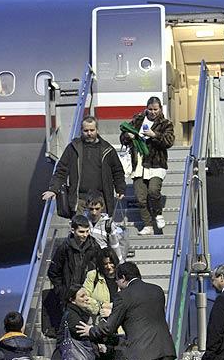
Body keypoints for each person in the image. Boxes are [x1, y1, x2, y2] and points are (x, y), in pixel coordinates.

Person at [42, 115, 126, 216]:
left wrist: (120, 188)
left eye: (92, 130)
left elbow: (117, 171)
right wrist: (53, 189)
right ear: (81, 130)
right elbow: (61, 170)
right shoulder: (73, 148)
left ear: (97, 130)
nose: (89, 133)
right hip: (79, 200)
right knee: (80, 229)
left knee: (100, 231)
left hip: (100, 200)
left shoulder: (107, 149)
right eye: (86, 130)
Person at [82, 247, 127, 360]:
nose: (109, 267)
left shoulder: (122, 276)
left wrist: (113, 309)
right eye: (105, 264)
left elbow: (129, 299)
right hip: (100, 332)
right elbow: (84, 299)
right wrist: (100, 307)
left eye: (111, 263)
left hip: (119, 332)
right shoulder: (93, 276)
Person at [120, 96, 174, 235]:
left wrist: (154, 135)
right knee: (140, 198)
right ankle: (148, 225)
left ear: (160, 109)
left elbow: (169, 141)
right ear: (146, 108)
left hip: (156, 163)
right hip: (138, 163)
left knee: (153, 191)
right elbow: (123, 137)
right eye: (150, 109)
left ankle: (158, 214)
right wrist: (127, 136)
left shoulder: (165, 123)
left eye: (155, 109)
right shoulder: (138, 120)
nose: (153, 112)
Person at [47, 214, 100, 308]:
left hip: (89, 294)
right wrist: (63, 291)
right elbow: (53, 272)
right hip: (69, 297)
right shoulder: (64, 248)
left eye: (87, 231)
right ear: (72, 230)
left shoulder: (94, 246)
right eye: (81, 232)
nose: (85, 235)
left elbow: (99, 267)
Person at [86, 191, 124, 263]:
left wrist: (120, 263)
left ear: (102, 207)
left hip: (103, 260)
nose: (94, 212)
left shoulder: (108, 224)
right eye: (91, 209)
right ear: (87, 206)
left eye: (97, 209)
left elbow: (115, 245)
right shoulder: (83, 221)